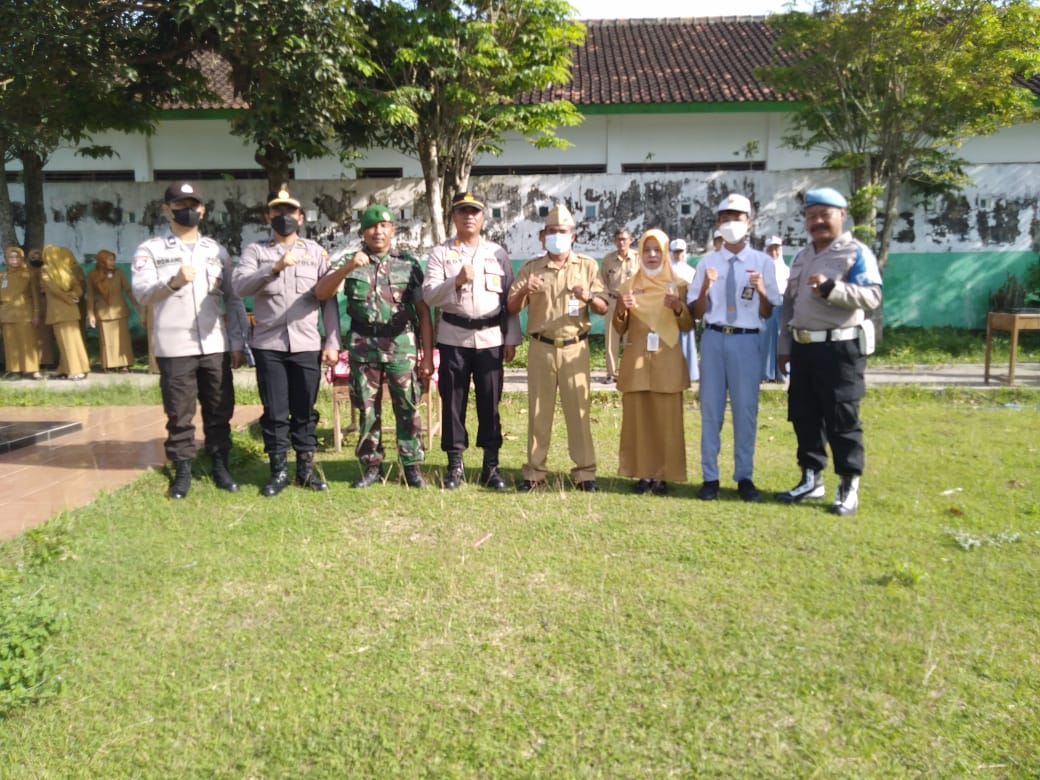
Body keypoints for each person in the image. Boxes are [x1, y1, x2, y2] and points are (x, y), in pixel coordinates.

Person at [132, 180, 246, 500]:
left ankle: (221, 464)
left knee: (220, 408)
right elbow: (142, 293)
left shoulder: (216, 250)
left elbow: (234, 299)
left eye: (193, 205)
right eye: (180, 206)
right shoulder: (151, 250)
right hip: (175, 345)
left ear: (203, 210)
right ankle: (183, 470)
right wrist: (173, 282)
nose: (188, 211)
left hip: (214, 344)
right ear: (166, 209)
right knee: (179, 413)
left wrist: (237, 341)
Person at [776, 187, 883, 517]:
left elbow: (873, 297)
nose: (817, 222)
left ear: (842, 214)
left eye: (825, 215)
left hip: (840, 347)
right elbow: (789, 304)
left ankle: (848, 485)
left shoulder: (856, 252)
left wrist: (832, 289)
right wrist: (783, 348)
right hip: (804, 347)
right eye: (811, 217)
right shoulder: (801, 256)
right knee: (804, 415)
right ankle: (811, 478)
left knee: (842, 417)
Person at [315, 204, 434, 489]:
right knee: (367, 408)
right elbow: (322, 292)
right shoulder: (350, 260)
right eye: (371, 226)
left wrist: (427, 355)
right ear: (363, 232)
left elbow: (423, 312)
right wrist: (347, 267)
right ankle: (372, 466)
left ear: (393, 230)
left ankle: (411, 466)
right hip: (363, 346)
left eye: (384, 226)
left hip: (400, 344)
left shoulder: (409, 263)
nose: (378, 231)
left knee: (407, 405)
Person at [233, 188, 341, 496]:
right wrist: (274, 268)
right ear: (268, 216)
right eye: (277, 212)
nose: (284, 218)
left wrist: (332, 340)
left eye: (290, 212)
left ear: (301, 217)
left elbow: (329, 299)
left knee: (305, 410)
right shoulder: (255, 252)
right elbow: (240, 286)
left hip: (306, 343)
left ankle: (305, 469)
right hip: (269, 345)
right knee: (275, 411)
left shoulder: (316, 252)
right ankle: (278, 471)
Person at [421, 191, 521, 490]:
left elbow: (510, 299)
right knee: (453, 403)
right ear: (454, 217)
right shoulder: (441, 253)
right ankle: (455, 465)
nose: (469, 217)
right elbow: (429, 295)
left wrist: (511, 338)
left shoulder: (497, 253)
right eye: (463, 211)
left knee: (490, 402)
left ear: (483, 217)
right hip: (454, 338)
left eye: (474, 212)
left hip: (491, 338)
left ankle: (491, 466)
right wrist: (457, 281)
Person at [506, 204, 608, 492]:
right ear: (542, 237)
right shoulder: (531, 269)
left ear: (573, 236)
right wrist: (526, 289)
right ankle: (535, 473)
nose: (557, 236)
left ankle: (585, 473)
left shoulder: (587, 266)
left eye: (562, 232)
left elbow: (602, 307)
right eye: (551, 232)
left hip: (576, 348)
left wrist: (588, 297)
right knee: (539, 412)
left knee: (579, 412)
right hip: (541, 348)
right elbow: (511, 307)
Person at [689, 194, 780, 502]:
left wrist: (762, 290)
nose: (731, 223)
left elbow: (767, 311)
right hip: (714, 338)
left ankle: (744, 476)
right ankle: (710, 477)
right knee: (711, 410)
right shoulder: (707, 263)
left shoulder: (762, 263)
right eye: (725, 218)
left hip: (746, 339)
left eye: (737, 218)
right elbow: (695, 313)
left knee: (745, 411)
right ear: (718, 223)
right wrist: (705, 287)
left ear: (749, 223)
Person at [614, 229, 695, 495]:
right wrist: (622, 308)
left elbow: (687, 326)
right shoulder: (628, 285)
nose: (651, 256)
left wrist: (679, 308)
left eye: (657, 250)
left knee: (667, 422)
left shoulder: (679, 285)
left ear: (665, 253)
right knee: (639, 421)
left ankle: (663, 475)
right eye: (646, 250)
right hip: (637, 361)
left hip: (667, 361)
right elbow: (618, 327)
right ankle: (643, 474)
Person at [39, 245, 90, 381]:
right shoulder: (66, 269)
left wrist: (68, 298)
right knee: (72, 340)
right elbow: (77, 286)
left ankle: (75, 370)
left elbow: (53, 289)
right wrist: (74, 296)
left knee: (66, 341)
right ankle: (66, 368)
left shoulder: (45, 270)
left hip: (59, 311)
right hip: (71, 308)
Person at [598, 228, 639, 384]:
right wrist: (606, 299)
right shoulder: (608, 259)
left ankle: (629, 372)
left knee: (631, 339)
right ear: (615, 241)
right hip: (613, 301)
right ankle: (611, 373)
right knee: (611, 338)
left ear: (631, 240)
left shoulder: (638, 258)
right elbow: (602, 282)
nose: (621, 242)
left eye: (624, 239)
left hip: (632, 302)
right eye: (618, 239)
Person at [87, 249, 136, 373]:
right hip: (103, 311)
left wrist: (136, 305)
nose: (112, 262)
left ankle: (125, 364)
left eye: (113, 259)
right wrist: (91, 314)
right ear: (102, 260)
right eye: (109, 259)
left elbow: (128, 290)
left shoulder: (119, 273)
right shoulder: (93, 275)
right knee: (107, 340)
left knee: (122, 339)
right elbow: (91, 296)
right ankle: (109, 364)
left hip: (119, 310)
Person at [1, 246, 42, 379]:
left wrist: (36, 313)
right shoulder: (3, 275)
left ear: (21, 258)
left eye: (17, 257)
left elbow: (35, 295)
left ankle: (32, 369)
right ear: (6, 259)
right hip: (7, 314)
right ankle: (14, 370)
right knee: (11, 343)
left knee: (28, 342)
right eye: (11, 257)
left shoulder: (28, 273)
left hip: (25, 314)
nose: (14, 260)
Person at [760, 236, 790, 381]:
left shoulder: (786, 269)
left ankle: (782, 373)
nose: (774, 252)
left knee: (782, 338)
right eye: (770, 249)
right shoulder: (761, 269)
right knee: (767, 339)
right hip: (767, 304)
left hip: (783, 305)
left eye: (776, 249)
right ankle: (767, 373)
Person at [669, 238, 699, 382]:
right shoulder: (666, 272)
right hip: (669, 313)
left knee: (686, 340)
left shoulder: (691, 272)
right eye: (675, 252)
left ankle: (689, 372)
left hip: (686, 312)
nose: (678, 255)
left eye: (680, 252)